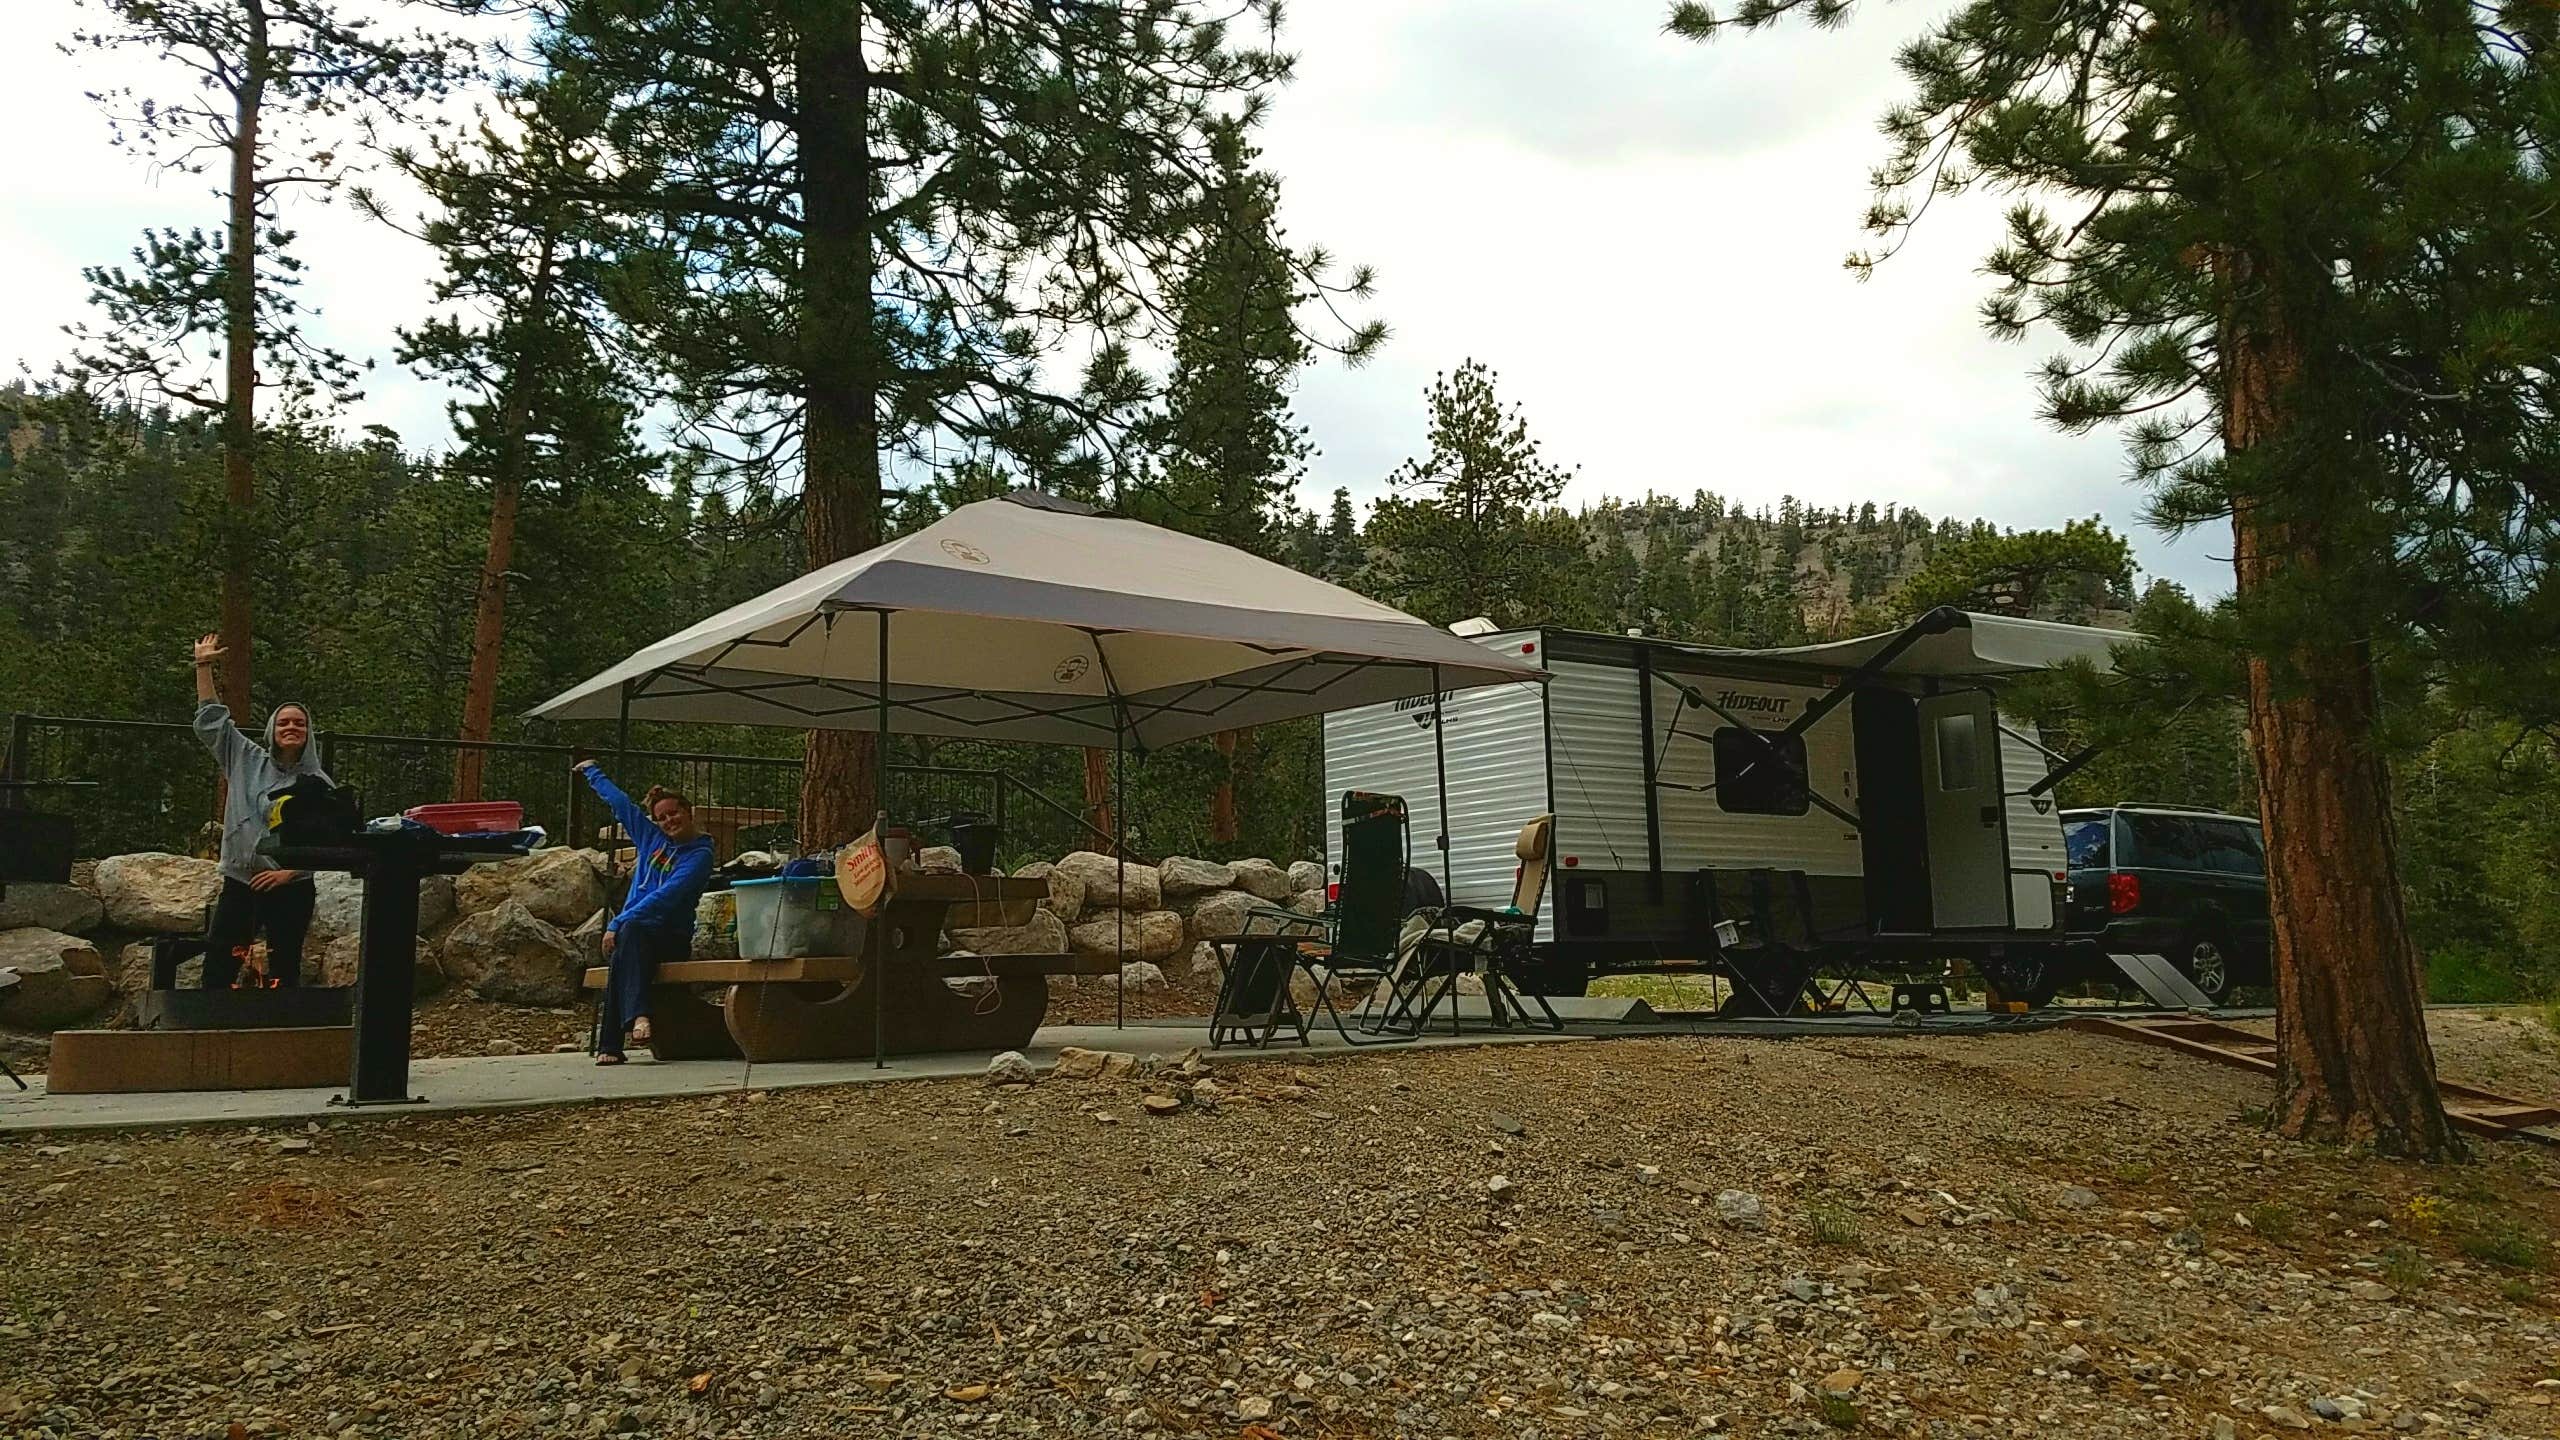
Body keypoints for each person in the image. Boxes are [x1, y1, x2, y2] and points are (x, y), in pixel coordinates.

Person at [189, 633, 327, 988]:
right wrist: (203, 665)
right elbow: (212, 723)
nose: (291, 728)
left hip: (290, 888)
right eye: (284, 722)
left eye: (299, 723)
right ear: (272, 730)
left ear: (309, 733)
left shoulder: (319, 782)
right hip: (241, 881)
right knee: (221, 960)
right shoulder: (245, 758)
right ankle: (210, 1030)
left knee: (285, 966)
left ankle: (278, 1031)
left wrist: (289, 874)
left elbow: (330, 842)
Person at [574, 757, 714, 1063]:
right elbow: (621, 805)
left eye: (674, 813)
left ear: (689, 813)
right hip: (637, 934)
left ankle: (614, 1040)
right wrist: (592, 772)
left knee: (628, 937)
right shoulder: (651, 839)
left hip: (670, 937)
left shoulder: (700, 854)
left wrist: (617, 922)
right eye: (662, 817)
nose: (669, 821)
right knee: (628, 945)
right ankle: (629, 1027)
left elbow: (667, 895)